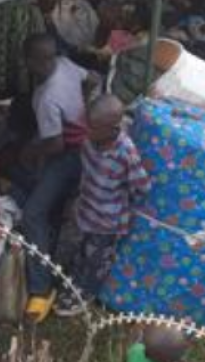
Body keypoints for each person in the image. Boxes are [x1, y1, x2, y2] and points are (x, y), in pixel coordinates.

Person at [19, 33, 99, 322]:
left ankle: (41, 289)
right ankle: (51, 235)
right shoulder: (65, 64)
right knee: (47, 200)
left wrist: (29, 152)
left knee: (32, 214)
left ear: (29, 62)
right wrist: (85, 110)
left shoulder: (46, 97)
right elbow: (91, 78)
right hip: (86, 141)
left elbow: (54, 145)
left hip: (70, 154)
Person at [56, 95, 150, 317]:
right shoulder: (90, 140)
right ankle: (74, 282)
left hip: (108, 222)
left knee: (96, 261)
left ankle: (85, 295)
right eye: (87, 124)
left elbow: (142, 186)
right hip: (87, 208)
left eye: (94, 128)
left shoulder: (126, 153)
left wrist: (125, 205)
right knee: (82, 251)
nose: (87, 131)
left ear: (113, 128)